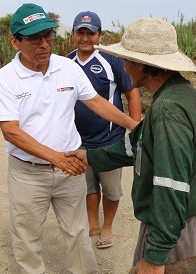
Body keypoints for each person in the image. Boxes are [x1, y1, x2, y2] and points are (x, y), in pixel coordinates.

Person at [0, 3, 138, 274]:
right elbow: (11, 131)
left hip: (69, 166)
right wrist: (55, 157)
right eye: (33, 39)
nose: (43, 44)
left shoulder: (67, 68)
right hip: (29, 173)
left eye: (48, 36)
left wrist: (132, 124)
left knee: (78, 231)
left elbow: (97, 102)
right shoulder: (4, 79)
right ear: (15, 41)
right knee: (27, 233)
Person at [69, 18, 196, 274]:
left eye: (127, 59)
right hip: (193, 220)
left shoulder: (168, 112)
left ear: (144, 65)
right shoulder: (181, 95)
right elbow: (135, 149)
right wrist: (89, 156)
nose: (123, 64)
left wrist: (155, 254)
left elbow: (170, 185)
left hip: (172, 223)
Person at [68, 11, 142, 248]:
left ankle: (107, 225)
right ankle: (93, 221)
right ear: (73, 35)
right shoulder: (65, 63)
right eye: (81, 32)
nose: (86, 37)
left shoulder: (111, 61)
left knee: (111, 189)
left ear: (100, 35)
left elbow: (131, 93)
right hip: (78, 141)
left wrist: (136, 127)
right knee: (88, 186)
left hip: (110, 139)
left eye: (91, 33)